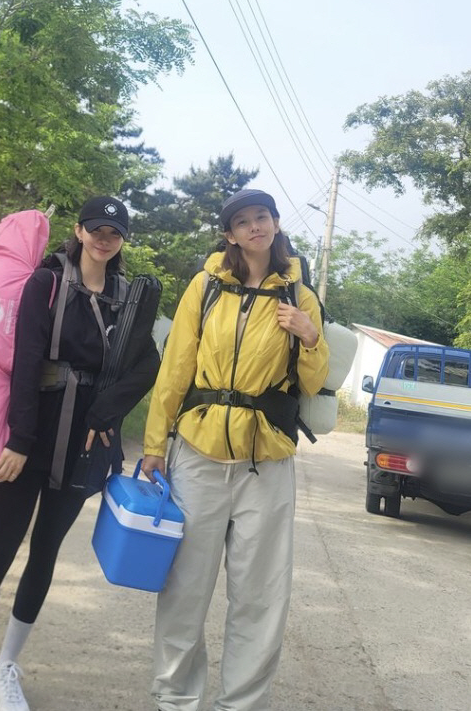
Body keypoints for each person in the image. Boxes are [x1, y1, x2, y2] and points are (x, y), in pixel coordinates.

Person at [0, 196, 160, 711]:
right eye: (96, 229)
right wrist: (18, 438)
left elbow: (148, 363)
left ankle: (4, 670)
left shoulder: (129, 297)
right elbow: (26, 361)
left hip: (86, 444)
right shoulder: (48, 281)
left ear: (123, 240)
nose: (105, 238)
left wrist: (107, 416)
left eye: (115, 232)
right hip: (34, 439)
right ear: (79, 232)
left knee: (45, 555)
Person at [141, 188, 329, 711]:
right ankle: (176, 699)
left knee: (260, 594)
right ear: (229, 234)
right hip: (198, 454)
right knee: (184, 589)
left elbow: (311, 384)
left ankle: (241, 704)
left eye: (261, 217)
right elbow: (176, 367)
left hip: (265, 462)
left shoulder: (299, 293)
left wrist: (310, 336)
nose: (254, 227)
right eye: (242, 221)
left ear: (274, 224)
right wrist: (156, 443)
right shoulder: (205, 286)